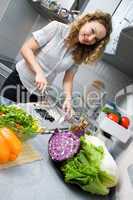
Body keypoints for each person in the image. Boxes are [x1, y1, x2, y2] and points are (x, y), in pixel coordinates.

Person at [1, 10, 112, 115]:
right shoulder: (56, 28)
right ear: (86, 21)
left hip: (36, 96)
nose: (91, 38)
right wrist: (39, 72)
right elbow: (26, 49)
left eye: (96, 39)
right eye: (92, 31)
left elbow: (68, 79)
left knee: (16, 129)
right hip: (18, 83)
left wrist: (68, 99)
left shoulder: (80, 53)